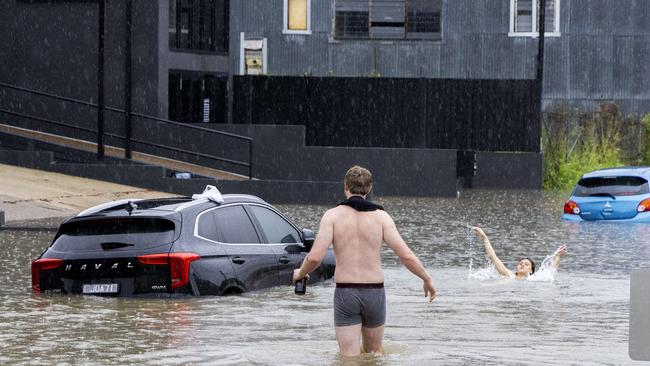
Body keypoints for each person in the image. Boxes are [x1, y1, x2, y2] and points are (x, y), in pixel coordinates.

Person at [293, 165, 436, 357]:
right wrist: (426, 278)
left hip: (346, 292)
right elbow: (406, 255)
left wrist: (300, 273)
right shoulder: (382, 217)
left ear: (345, 187)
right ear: (369, 189)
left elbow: (315, 257)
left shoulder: (332, 216)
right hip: (374, 292)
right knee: (375, 353)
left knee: (348, 356)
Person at [470, 226, 567, 278]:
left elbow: (550, 269)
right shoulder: (509, 275)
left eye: (526, 264)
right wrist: (485, 238)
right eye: (520, 263)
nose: (522, 265)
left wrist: (558, 256)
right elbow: (494, 258)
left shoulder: (535, 278)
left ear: (531, 271)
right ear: (516, 268)